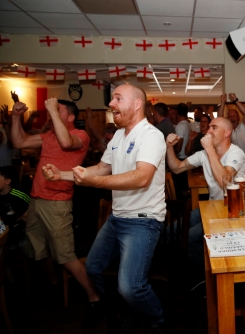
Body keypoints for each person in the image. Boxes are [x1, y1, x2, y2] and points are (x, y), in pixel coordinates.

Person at [42, 84, 167, 333]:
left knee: (131, 286)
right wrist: (61, 175)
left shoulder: (151, 135)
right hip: (117, 218)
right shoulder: (119, 136)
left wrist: (93, 182)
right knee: (93, 268)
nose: (111, 104)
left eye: (118, 98)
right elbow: (101, 169)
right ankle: (128, 308)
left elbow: (142, 177)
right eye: (112, 99)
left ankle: (158, 320)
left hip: (143, 221)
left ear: (137, 104)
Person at [10, 97, 100, 328]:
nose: (51, 113)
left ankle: (94, 297)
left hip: (58, 203)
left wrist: (51, 109)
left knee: (66, 256)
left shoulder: (81, 136)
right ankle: (54, 284)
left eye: (58, 110)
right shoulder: (49, 135)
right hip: (36, 200)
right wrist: (16, 117)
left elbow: (66, 142)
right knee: (37, 250)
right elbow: (19, 142)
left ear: (70, 117)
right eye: (52, 110)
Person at [166, 117, 245, 264]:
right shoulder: (204, 154)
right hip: (211, 206)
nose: (208, 131)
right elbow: (177, 168)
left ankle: (209, 272)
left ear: (227, 133)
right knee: (170, 230)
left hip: (230, 211)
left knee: (187, 238)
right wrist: (169, 147)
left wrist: (209, 150)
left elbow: (225, 182)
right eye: (209, 127)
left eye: (214, 128)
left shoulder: (236, 153)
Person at [0, 165, 30, 251]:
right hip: (6, 233)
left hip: (24, 233)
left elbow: (31, 214)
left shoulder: (20, 196)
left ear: (7, 181)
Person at [218, 93, 245, 158]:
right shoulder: (226, 130)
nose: (232, 118)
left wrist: (235, 100)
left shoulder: (244, 127)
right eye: (229, 116)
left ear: (238, 117)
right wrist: (223, 102)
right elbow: (219, 118)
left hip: (244, 160)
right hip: (230, 161)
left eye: (234, 116)